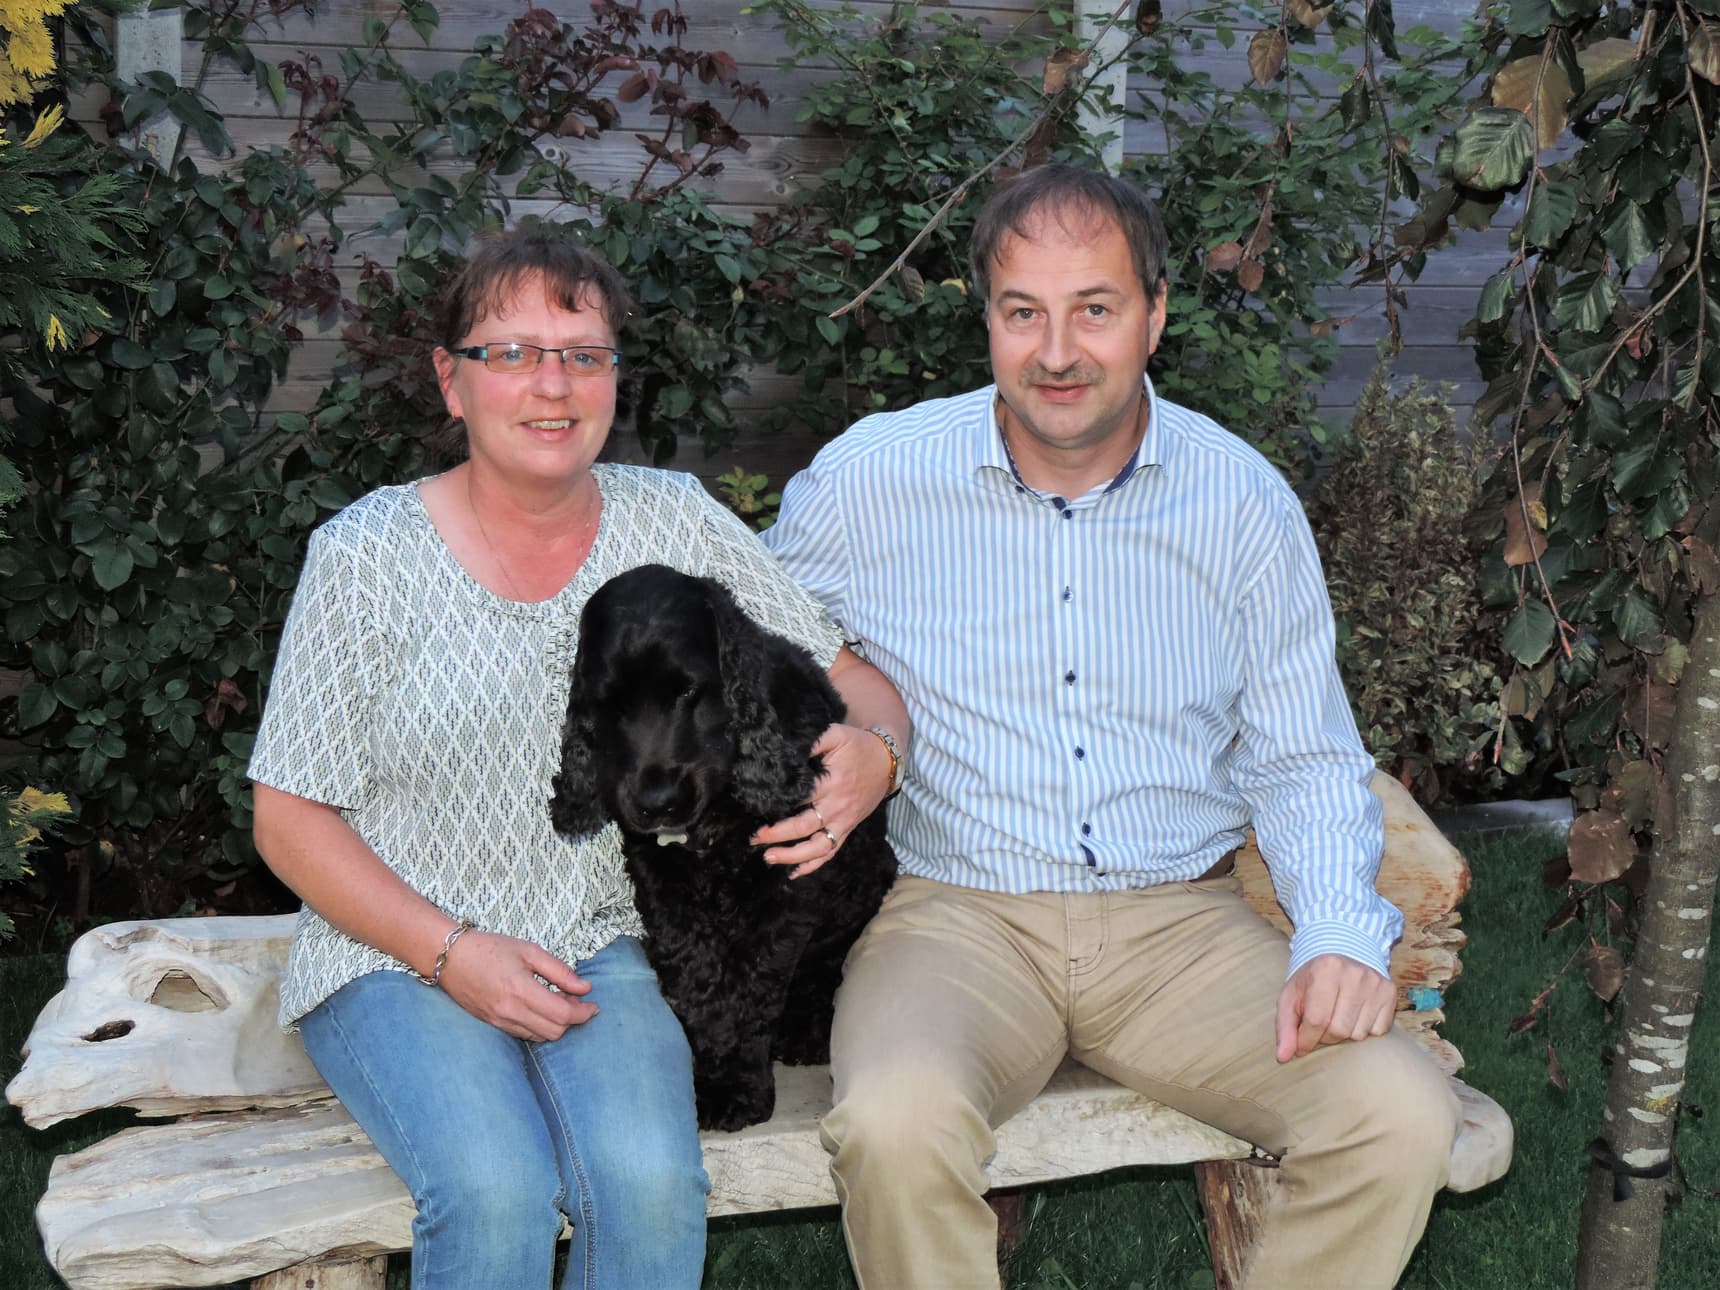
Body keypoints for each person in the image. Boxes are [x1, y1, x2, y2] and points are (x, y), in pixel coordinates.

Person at [756, 165, 1461, 1289]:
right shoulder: (871, 482)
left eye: (1094, 308)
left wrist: (1336, 931)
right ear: (986, 320)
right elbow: (749, 626)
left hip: (1181, 929)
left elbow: (1303, 754)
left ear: (1155, 314)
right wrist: (866, 714)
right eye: (1021, 312)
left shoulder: (1240, 504)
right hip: (957, 919)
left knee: (1400, 1115)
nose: (1056, 352)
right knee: (894, 1124)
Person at [248, 228, 907, 1290]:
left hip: (601, 946)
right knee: (496, 1193)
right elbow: (286, 818)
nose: (551, 384)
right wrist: (453, 952)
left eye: (582, 355)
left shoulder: (675, 521)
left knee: (651, 1183)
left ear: (613, 378)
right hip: (397, 950)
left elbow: (853, 681)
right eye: (511, 353)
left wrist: (877, 755)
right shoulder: (365, 557)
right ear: (451, 381)